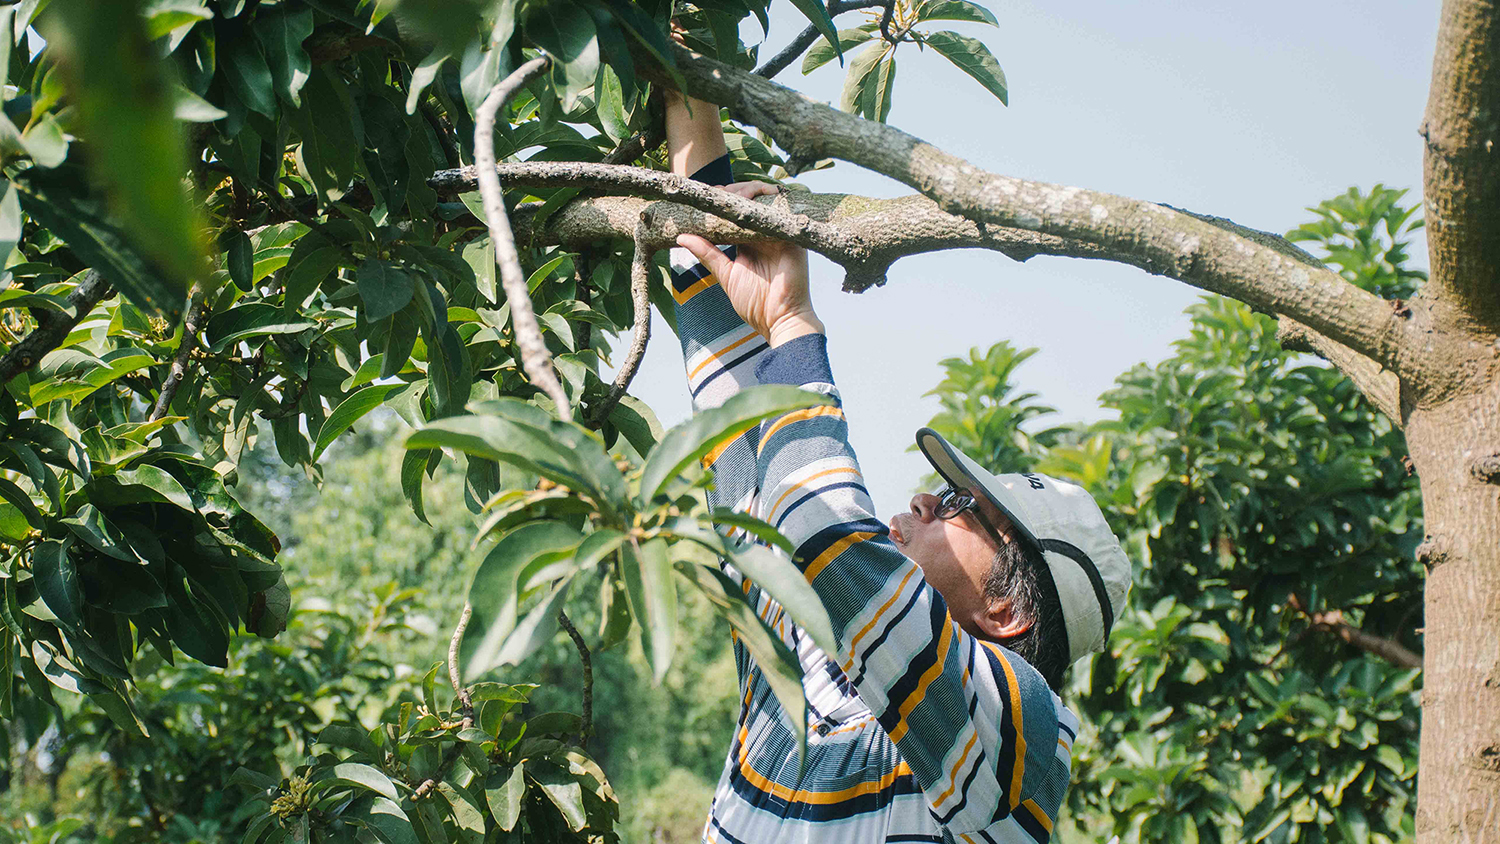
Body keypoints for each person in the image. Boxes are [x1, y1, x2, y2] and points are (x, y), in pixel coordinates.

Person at [662, 87, 1133, 844]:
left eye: (959, 507)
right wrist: (676, 68)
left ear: (1008, 612)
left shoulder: (1021, 734)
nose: (923, 501)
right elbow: (744, 429)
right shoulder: (820, 652)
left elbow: (830, 541)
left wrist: (794, 323)